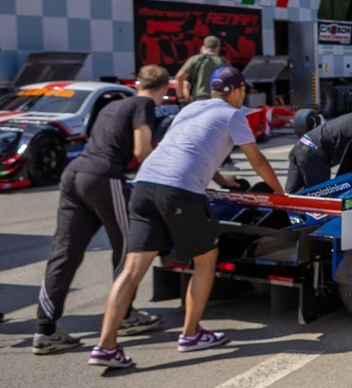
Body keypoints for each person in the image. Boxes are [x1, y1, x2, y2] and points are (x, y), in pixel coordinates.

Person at [87, 66, 284, 369]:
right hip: (178, 191)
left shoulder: (191, 109)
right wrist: (279, 194)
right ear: (237, 91)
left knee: (132, 267)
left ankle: (105, 346)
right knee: (206, 258)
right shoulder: (233, 115)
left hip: (144, 185)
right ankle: (191, 334)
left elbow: (187, 147)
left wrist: (221, 180)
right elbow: (257, 160)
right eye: (243, 91)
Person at [32, 65, 170, 355]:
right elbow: (141, 150)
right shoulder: (144, 104)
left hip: (75, 174)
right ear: (164, 88)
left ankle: (45, 329)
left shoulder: (112, 104)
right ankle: (126, 315)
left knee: (65, 251)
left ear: (138, 82)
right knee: (128, 248)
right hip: (104, 177)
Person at [176, 36, 225, 104]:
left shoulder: (196, 59)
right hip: (217, 100)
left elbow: (180, 76)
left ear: (204, 46)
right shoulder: (223, 62)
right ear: (218, 47)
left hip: (198, 99)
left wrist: (180, 97)